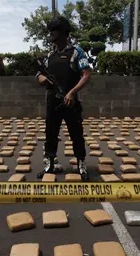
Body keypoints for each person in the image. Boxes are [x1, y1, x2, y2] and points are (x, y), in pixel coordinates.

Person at [36, 15, 91, 181]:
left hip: (70, 101)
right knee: (50, 134)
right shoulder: (50, 55)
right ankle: (50, 165)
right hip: (52, 102)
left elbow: (86, 75)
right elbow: (40, 72)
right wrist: (40, 78)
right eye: (51, 31)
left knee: (76, 134)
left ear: (63, 32)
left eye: (54, 31)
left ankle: (81, 164)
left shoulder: (76, 52)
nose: (51, 34)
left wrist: (72, 92)